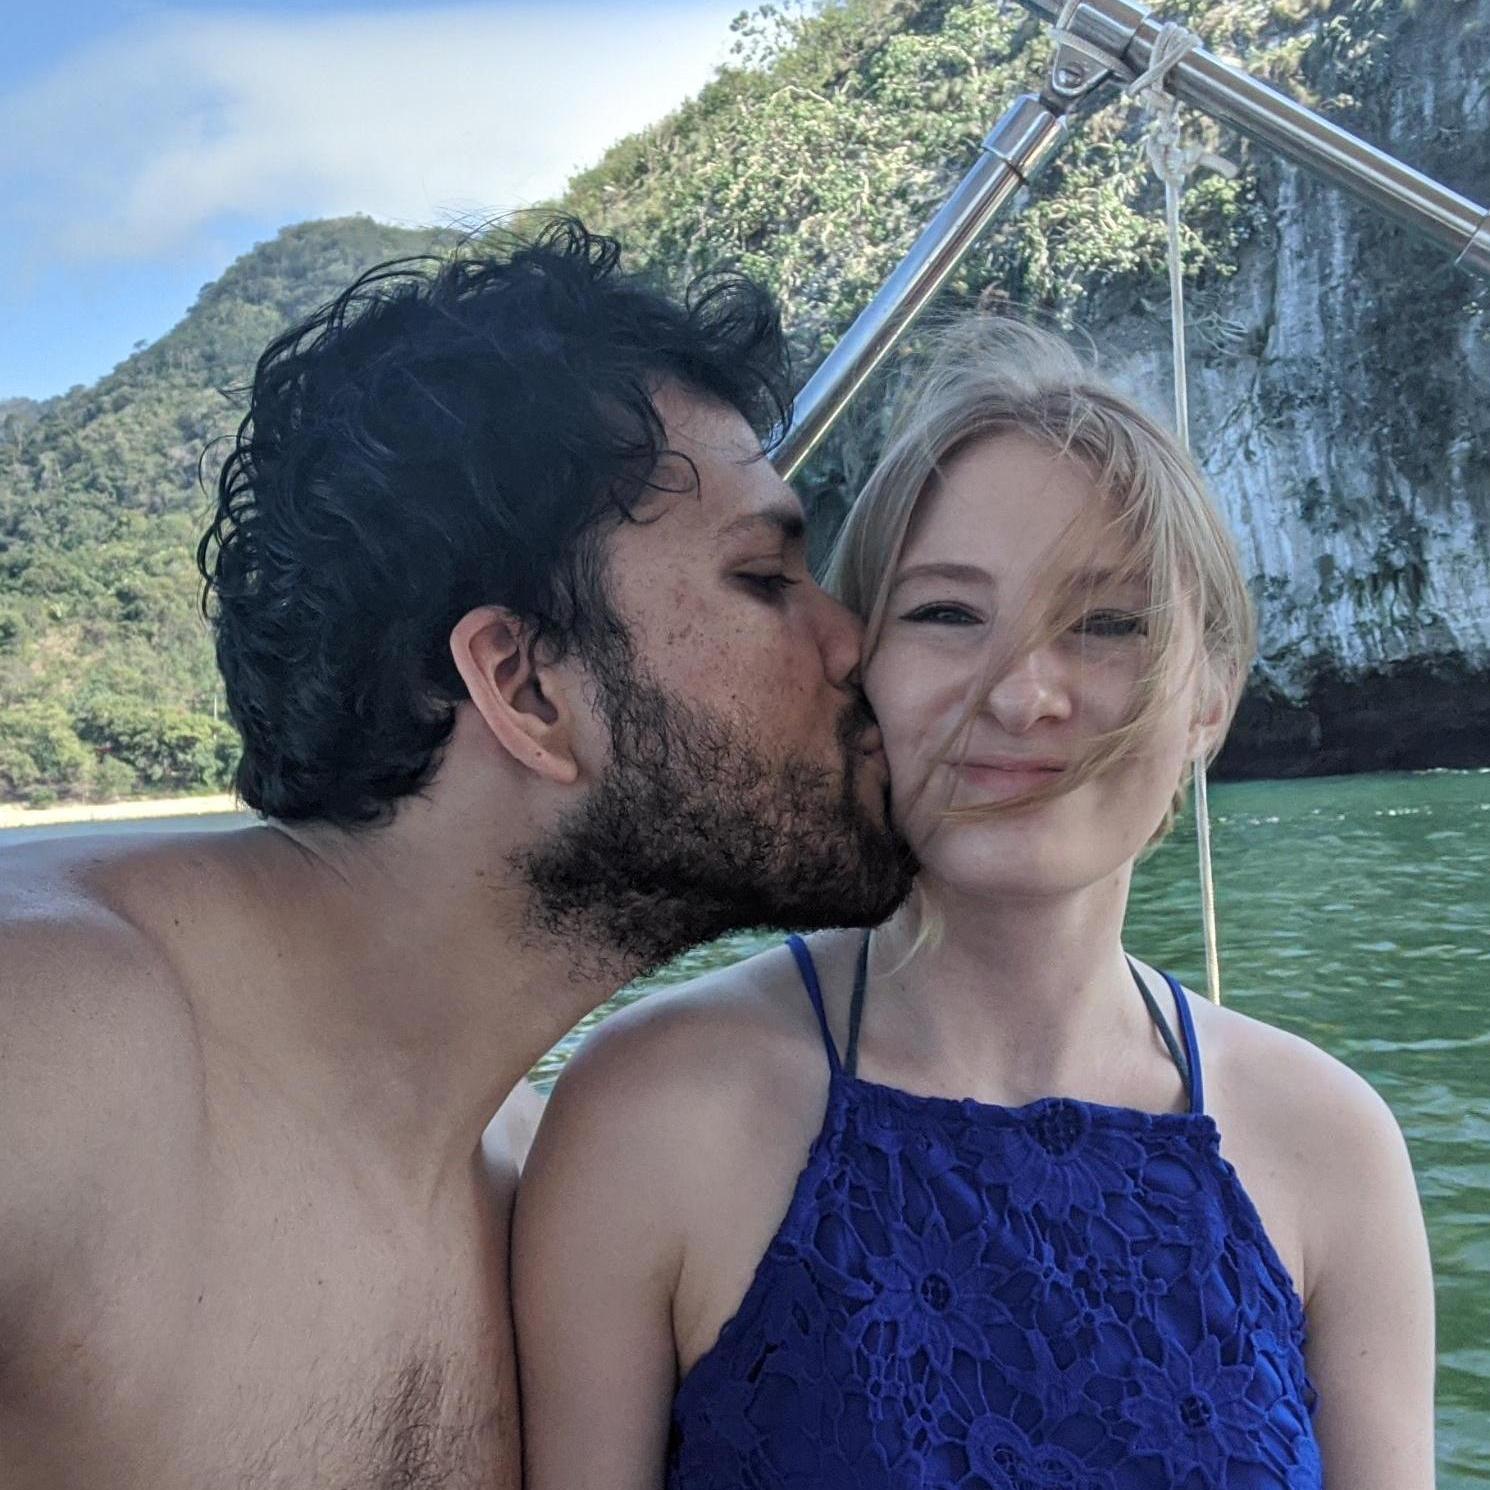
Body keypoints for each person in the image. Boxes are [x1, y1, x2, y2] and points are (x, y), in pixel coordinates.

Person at [0, 220, 915, 1489]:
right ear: (524, 685)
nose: (852, 641)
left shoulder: (538, 1183)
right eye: (764, 577)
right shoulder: (50, 1043)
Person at [514, 318, 1436, 1490]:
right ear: (860, 667)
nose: (1020, 693)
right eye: (947, 613)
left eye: (1106, 624)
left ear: (1208, 697)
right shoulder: (651, 1109)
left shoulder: (1329, 1143)